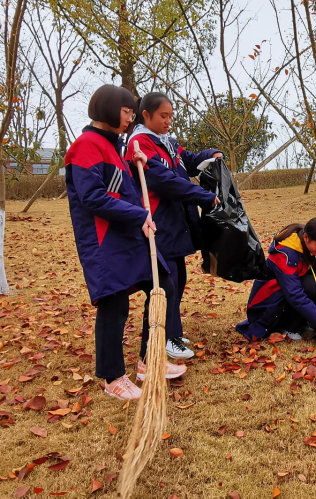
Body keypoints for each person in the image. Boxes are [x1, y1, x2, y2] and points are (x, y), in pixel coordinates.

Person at [64, 84, 186, 401]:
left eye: (132, 113)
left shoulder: (113, 146)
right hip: (104, 240)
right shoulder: (86, 146)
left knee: (164, 286)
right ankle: (113, 377)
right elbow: (92, 197)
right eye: (128, 112)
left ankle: (149, 361)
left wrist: (135, 164)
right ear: (108, 109)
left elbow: (120, 187)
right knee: (114, 303)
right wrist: (136, 215)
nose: (131, 119)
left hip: (130, 234)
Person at [125, 92, 222, 361]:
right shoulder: (139, 143)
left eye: (170, 116)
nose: (168, 122)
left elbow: (186, 161)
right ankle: (166, 337)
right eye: (163, 116)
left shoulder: (166, 141)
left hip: (177, 219)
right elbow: (163, 180)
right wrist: (204, 197)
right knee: (167, 282)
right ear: (146, 115)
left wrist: (209, 155)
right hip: (158, 220)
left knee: (179, 278)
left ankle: (172, 331)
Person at [236, 216, 316, 345]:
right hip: (268, 305)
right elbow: (295, 296)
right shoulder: (285, 255)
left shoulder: (307, 243)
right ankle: (286, 327)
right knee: (310, 285)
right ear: (306, 237)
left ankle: (302, 321)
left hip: (285, 295)